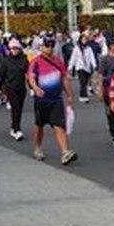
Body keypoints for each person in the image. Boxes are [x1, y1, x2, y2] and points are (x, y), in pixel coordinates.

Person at [27, 37, 77, 165]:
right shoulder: (35, 62)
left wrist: (69, 95)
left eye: (51, 45)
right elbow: (31, 77)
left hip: (56, 99)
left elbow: (64, 78)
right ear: (41, 47)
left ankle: (65, 152)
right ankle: (38, 147)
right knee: (39, 124)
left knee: (59, 125)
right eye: (47, 45)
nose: (49, 48)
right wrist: (36, 88)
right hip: (42, 100)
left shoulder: (58, 62)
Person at [0, 38, 30, 141]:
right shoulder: (6, 61)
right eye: (12, 48)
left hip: (21, 87)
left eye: (16, 48)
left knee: (19, 109)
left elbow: (29, 74)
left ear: (19, 49)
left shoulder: (24, 59)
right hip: (10, 87)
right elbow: (1, 75)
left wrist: (33, 87)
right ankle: (16, 129)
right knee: (15, 107)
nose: (14, 50)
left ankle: (14, 127)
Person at [95, 37, 114, 147]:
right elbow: (101, 75)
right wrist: (100, 89)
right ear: (111, 46)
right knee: (111, 113)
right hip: (108, 89)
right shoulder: (104, 59)